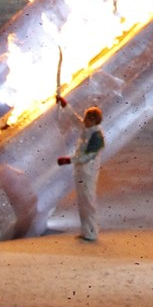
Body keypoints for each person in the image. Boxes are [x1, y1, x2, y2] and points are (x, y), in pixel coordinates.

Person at [57, 98, 106, 241]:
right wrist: (65, 106)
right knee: (82, 202)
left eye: (87, 119)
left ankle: (91, 232)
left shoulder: (96, 137)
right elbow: (75, 120)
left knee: (88, 202)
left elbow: (87, 156)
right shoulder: (87, 130)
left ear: (93, 120)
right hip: (81, 172)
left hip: (88, 173)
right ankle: (86, 231)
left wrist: (68, 160)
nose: (84, 120)